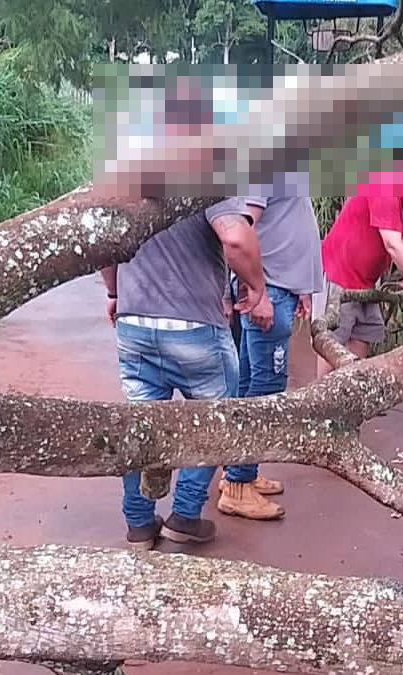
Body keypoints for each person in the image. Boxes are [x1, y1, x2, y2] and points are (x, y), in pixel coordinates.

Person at [101, 196, 272, 549]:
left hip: (134, 324)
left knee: (141, 423)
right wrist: (257, 286)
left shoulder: (129, 176)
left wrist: (115, 291)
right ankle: (184, 516)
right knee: (215, 420)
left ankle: (139, 524)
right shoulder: (205, 170)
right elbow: (236, 238)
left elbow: (106, 245)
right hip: (194, 328)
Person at [218, 171, 325, 521]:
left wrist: (304, 285)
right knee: (266, 388)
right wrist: (255, 291)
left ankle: (241, 469)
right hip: (268, 290)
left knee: (251, 384)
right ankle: (237, 484)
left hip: (281, 287)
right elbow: (239, 231)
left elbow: (289, 224)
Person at [313, 138, 403, 379]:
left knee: (362, 339)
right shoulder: (386, 184)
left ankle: (348, 403)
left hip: (365, 281)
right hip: (338, 275)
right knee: (331, 346)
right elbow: (392, 245)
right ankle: (320, 405)